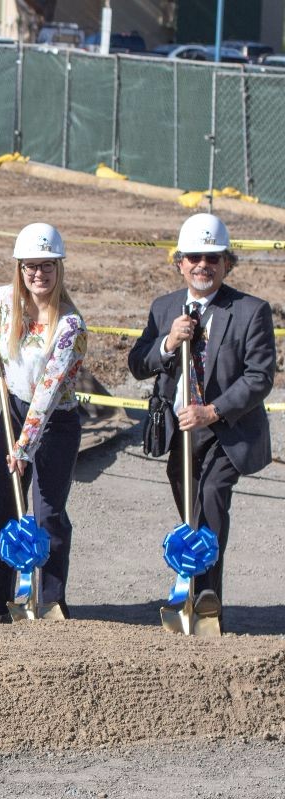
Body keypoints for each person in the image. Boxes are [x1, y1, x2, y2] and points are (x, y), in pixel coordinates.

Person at [128, 213, 275, 622]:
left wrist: (212, 411)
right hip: (180, 433)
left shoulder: (251, 311)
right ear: (179, 262)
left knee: (211, 496)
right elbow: (138, 363)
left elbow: (260, 376)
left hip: (228, 431)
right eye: (194, 257)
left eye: (212, 258)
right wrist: (169, 342)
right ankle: (191, 590)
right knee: (190, 509)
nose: (202, 266)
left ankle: (207, 596)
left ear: (227, 263)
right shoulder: (164, 309)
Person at [0, 223, 86, 622]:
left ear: (59, 268)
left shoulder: (70, 326)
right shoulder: (4, 300)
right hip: (13, 408)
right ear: (19, 268)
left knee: (47, 511)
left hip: (55, 422)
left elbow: (49, 392)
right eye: (31, 266)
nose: (39, 274)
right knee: (4, 507)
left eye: (47, 266)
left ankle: (50, 601)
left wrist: (24, 447)